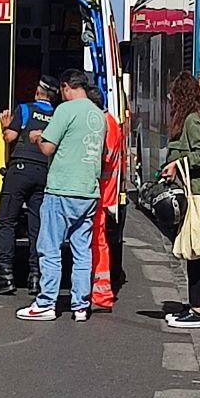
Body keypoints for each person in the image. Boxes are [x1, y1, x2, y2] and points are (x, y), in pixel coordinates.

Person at [17, 69, 105, 323]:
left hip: (62, 188)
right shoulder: (98, 115)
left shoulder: (65, 110)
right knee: (82, 251)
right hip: (88, 190)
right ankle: (81, 306)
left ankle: (46, 303)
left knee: (49, 248)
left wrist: (36, 137)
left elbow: (48, 147)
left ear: (66, 86)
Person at [160, 71, 200, 329]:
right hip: (192, 194)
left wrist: (178, 164)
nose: (170, 101)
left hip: (198, 197)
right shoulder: (190, 119)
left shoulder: (193, 120)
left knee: (195, 252)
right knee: (192, 252)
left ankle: (198, 312)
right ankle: (194, 305)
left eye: (173, 96)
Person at [0, 75, 58, 296]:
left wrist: (5, 126)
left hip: (20, 170)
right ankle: (35, 277)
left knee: (7, 222)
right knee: (37, 226)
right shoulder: (58, 115)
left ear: (37, 92)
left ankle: (5, 276)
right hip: (44, 172)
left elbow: (10, 137)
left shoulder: (25, 109)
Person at [86, 86, 123, 312]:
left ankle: (100, 293)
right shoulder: (111, 121)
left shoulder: (103, 123)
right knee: (98, 241)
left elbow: (103, 157)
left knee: (97, 241)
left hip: (99, 191)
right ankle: (99, 290)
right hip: (105, 191)